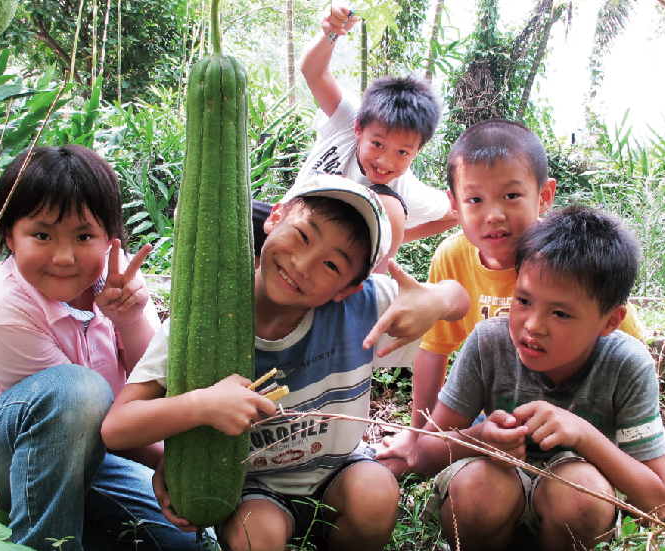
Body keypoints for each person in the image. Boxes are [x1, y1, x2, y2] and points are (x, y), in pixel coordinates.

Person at [101, 174, 470, 551]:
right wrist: (200, 407)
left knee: (375, 494)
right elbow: (116, 428)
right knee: (254, 538)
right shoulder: (204, 322)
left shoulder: (363, 309)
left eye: (332, 265)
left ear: (347, 289)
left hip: (338, 473)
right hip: (255, 490)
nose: (303, 263)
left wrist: (437, 299)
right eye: (303, 235)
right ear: (275, 217)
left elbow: (461, 298)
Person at [376, 119, 665, 526]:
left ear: (544, 195)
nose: (494, 215)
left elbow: (627, 357)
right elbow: (434, 351)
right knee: (468, 483)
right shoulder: (461, 273)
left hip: (585, 443)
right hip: (497, 419)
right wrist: (424, 433)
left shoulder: (575, 267)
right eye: (523, 300)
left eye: (511, 195)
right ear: (456, 204)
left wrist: (653, 449)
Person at [0, 145, 211, 551]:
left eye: (84, 236)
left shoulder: (116, 277)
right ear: (9, 235)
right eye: (41, 235)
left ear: (110, 239)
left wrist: (130, 318)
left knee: (195, 542)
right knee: (78, 391)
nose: (64, 257)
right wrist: (165, 461)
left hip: (82, 453)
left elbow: (157, 383)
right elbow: (81, 422)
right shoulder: (5, 308)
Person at [413, 204, 665, 551]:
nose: (533, 325)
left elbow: (656, 500)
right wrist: (480, 437)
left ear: (610, 320)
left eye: (561, 313)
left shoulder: (627, 364)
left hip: (576, 506)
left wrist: (583, 435)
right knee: (478, 488)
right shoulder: (489, 344)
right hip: (496, 493)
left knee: (581, 491)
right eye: (523, 300)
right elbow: (424, 455)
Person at [260, 3, 458, 272]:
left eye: (402, 152)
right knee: (205, 214)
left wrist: (394, 241)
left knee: (386, 211)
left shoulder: (404, 190)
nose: (385, 162)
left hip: (328, 258)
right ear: (358, 129)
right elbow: (313, 72)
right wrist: (331, 32)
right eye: (377, 144)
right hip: (285, 222)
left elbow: (454, 213)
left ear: (417, 151)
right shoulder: (347, 118)